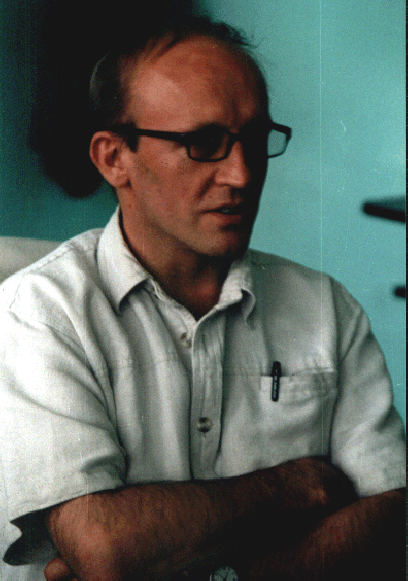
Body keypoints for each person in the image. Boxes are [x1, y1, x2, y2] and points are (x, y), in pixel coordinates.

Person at [0, 15, 405, 581]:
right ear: (114, 158)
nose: (241, 175)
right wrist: (300, 486)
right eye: (204, 143)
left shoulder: (326, 308)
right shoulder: (39, 311)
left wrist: (169, 552)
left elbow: (392, 521)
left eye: (254, 140)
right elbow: (105, 548)